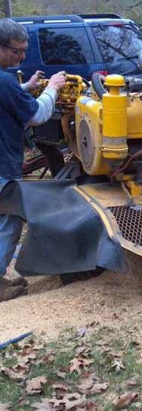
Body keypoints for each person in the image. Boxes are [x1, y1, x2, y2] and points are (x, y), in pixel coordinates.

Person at [0, 18, 66, 302]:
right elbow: (37, 116)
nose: (22, 56)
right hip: (2, 164)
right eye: (17, 51)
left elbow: (7, 99)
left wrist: (26, 87)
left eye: (24, 51)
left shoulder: (6, 82)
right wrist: (52, 87)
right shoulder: (3, 80)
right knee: (11, 218)